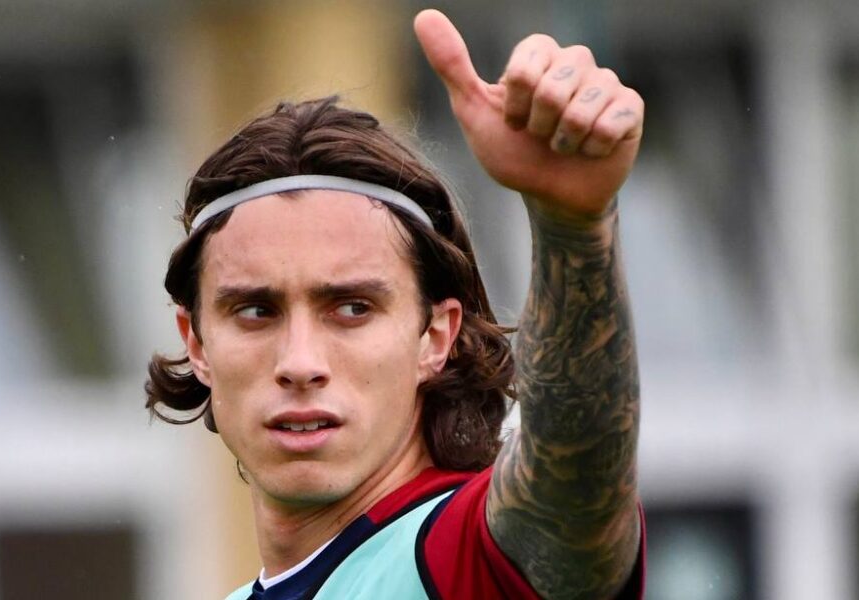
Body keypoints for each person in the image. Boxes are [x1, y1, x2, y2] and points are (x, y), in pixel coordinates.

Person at [146, 9, 645, 600]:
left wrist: (572, 223)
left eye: (352, 308)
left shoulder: (462, 557)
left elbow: (575, 495)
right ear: (197, 343)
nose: (300, 363)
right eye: (256, 312)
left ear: (435, 336)